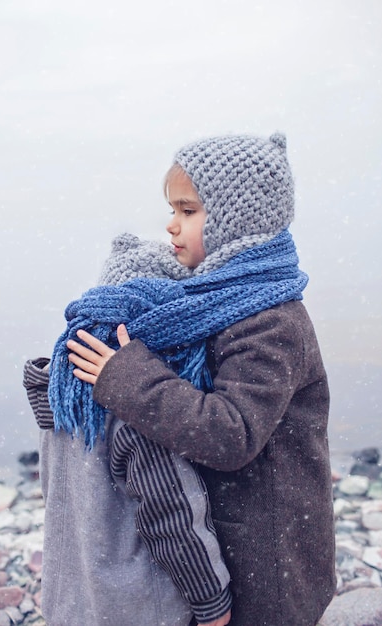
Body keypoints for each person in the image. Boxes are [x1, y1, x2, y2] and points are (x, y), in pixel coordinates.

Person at [66, 132, 337, 626]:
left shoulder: (272, 321)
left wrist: (127, 376)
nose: (171, 226)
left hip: (271, 563)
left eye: (188, 211)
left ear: (236, 219)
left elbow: (229, 434)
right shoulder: (214, 304)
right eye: (173, 210)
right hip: (228, 548)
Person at [23, 232, 233, 626]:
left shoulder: (63, 389)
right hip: (140, 607)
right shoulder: (134, 404)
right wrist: (211, 602)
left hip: (72, 599)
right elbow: (170, 513)